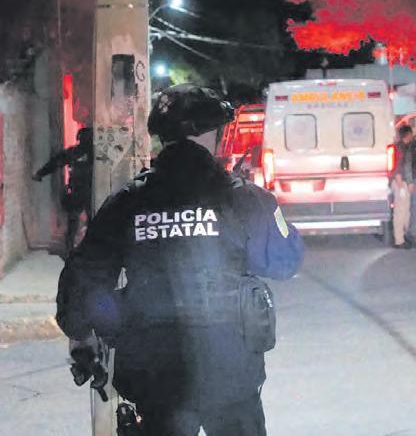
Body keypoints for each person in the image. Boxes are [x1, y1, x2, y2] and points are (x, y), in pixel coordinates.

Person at [56, 83, 304, 436]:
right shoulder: (245, 199)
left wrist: (81, 336)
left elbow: (84, 275)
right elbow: (284, 262)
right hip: (231, 369)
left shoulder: (127, 201)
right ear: (211, 134)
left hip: (154, 373)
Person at [33, 127, 94, 253]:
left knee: (74, 220)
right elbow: (56, 162)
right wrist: (40, 173)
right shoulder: (95, 154)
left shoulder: (75, 152)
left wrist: (40, 174)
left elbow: (56, 162)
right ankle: (84, 247)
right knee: (88, 220)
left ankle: (71, 247)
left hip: (80, 190)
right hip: (88, 191)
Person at [391, 125, 415, 248]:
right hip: (401, 182)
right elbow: (399, 165)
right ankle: (399, 240)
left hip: (401, 181)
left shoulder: (401, 147)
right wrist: (400, 180)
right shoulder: (402, 148)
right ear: (408, 134)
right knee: (401, 211)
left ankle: (403, 236)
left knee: (404, 210)